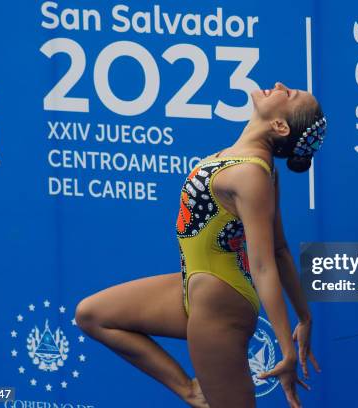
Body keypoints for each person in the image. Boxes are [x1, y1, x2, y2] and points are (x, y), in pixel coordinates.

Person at [75, 81, 327, 408]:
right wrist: (305, 318)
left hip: (220, 304)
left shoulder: (253, 174)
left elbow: (264, 263)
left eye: (289, 93)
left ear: (279, 125)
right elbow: (280, 249)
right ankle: (190, 390)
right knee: (92, 315)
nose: (280, 85)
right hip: (194, 291)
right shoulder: (254, 166)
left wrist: (287, 349)